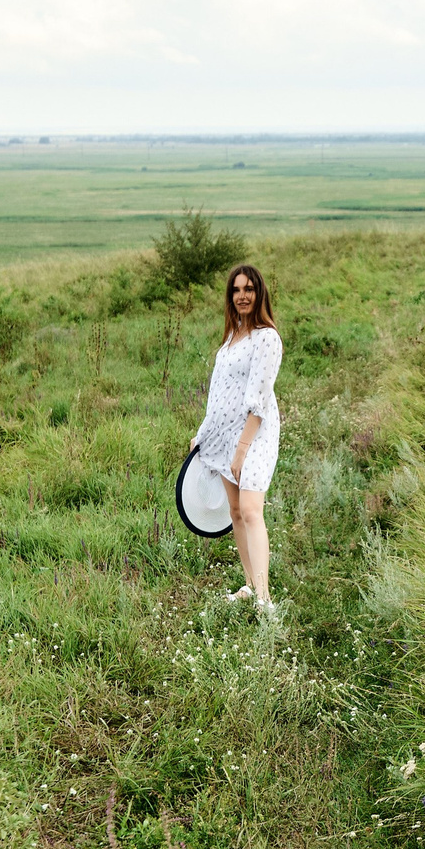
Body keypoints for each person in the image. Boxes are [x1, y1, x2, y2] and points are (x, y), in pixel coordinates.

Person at [189, 262, 282, 613]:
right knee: (235, 512)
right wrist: (202, 435)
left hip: (254, 434)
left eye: (249, 289)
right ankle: (250, 584)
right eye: (236, 290)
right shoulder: (231, 338)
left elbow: (259, 399)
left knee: (251, 510)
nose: (242, 296)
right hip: (223, 434)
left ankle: (264, 600)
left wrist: (242, 450)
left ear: (259, 294)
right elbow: (218, 395)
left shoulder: (266, 337)